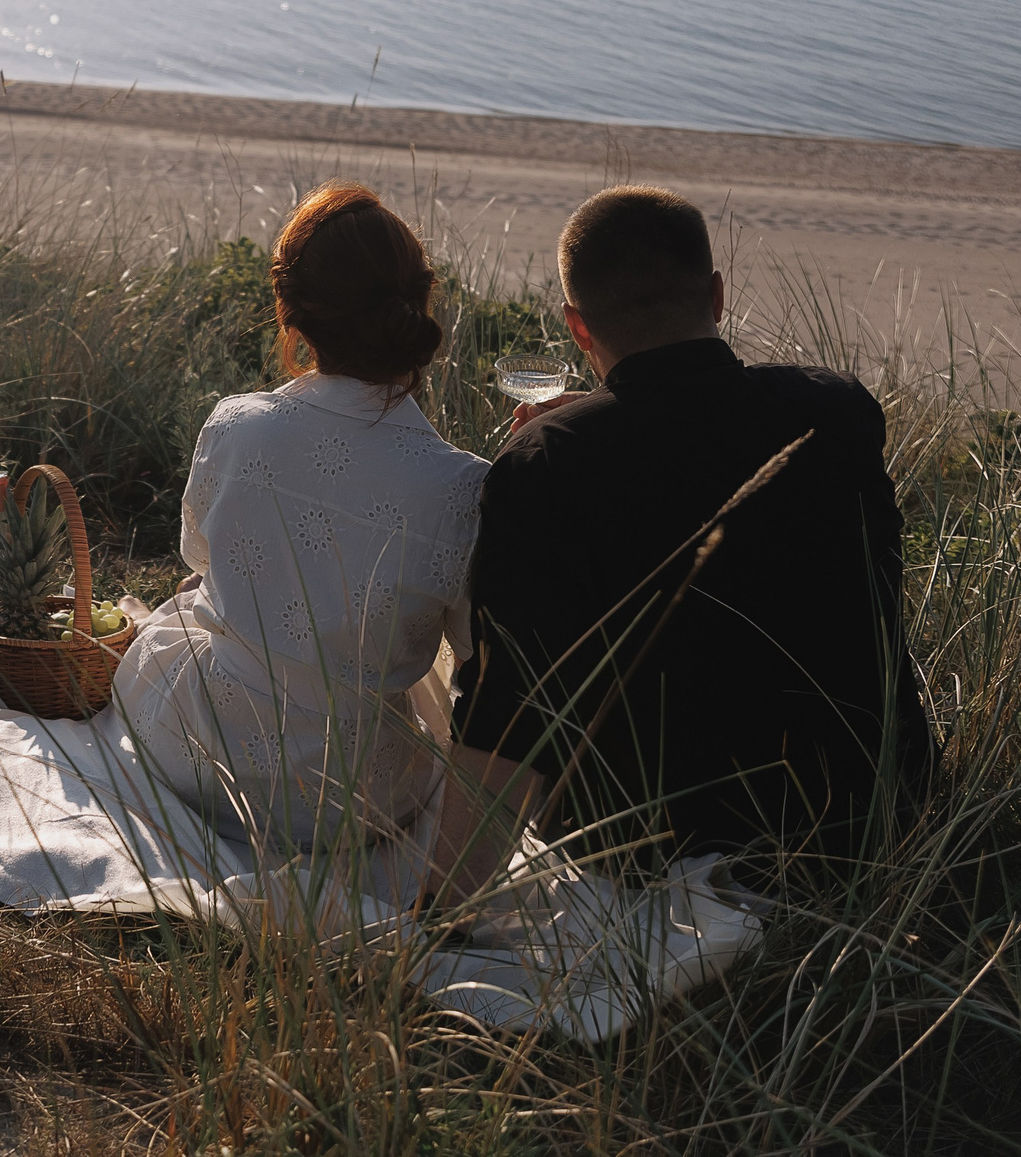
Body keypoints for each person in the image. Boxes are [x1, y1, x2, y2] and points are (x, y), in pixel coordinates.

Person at [436, 186, 935, 898]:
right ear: (718, 295)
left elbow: (511, 710)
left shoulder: (549, 467)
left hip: (663, 849)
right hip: (873, 819)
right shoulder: (839, 410)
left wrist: (442, 908)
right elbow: (704, 446)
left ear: (578, 328)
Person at [113, 181, 488, 852]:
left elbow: (201, 559)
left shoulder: (237, 425)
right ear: (417, 301)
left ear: (292, 315)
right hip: (361, 797)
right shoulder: (462, 486)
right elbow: (472, 652)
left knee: (182, 613)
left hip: (209, 754)